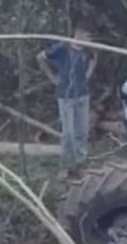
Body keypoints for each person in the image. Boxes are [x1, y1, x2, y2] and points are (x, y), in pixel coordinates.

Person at [39, 27, 97, 174]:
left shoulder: (87, 51)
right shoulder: (62, 47)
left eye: (90, 38)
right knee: (68, 132)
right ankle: (67, 164)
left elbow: (94, 58)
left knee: (82, 130)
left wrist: (88, 73)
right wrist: (52, 77)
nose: (89, 41)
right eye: (86, 36)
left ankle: (81, 161)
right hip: (66, 96)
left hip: (82, 95)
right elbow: (40, 57)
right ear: (78, 34)